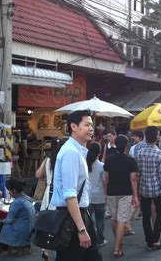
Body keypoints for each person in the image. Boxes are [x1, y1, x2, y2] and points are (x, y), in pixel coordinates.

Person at [49, 110, 102, 261]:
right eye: (87, 125)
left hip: (79, 215)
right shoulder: (71, 153)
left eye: (92, 125)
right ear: (74, 126)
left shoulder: (78, 151)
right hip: (71, 220)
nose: (91, 129)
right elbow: (70, 194)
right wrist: (81, 229)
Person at [103, 135, 139, 258]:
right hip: (126, 192)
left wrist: (105, 192)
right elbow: (133, 179)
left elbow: (106, 177)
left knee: (114, 218)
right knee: (122, 219)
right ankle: (117, 247)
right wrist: (135, 195)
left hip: (112, 191)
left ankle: (118, 241)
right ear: (126, 146)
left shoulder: (109, 159)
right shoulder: (131, 160)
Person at [135, 126, 161, 251]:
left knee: (146, 216)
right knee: (160, 213)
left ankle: (149, 241)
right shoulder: (160, 154)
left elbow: (137, 173)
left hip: (143, 188)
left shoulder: (139, 153)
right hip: (157, 188)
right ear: (156, 137)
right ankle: (156, 239)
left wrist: (137, 189)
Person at [35, 138, 64, 260]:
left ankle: (44, 248)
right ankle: (58, 249)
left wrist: (46, 159)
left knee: (47, 221)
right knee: (58, 223)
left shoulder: (48, 160)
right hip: (60, 193)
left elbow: (38, 175)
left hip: (48, 192)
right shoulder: (63, 159)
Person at [0, 179, 35, 254]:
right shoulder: (27, 199)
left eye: (9, 190)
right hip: (29, 228)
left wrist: (0, 220)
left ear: (14, 190)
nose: (9, 192)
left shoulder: (17, 203)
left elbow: (9, 220)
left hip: (21, 231)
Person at [87, 142, 107, 247]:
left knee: (88, 219)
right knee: (100, 220)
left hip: (88, 197)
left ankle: (89, 237)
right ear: (99, 153)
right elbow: (104, 183)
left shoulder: (85, 165)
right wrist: (106, 195)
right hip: (99, 196)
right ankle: (100, 239)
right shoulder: (101, 166)